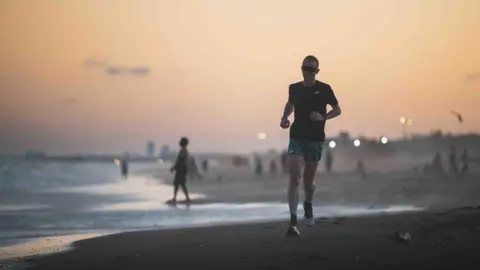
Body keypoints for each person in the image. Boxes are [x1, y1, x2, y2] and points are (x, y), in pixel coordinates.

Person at [280, 55, 342, 237]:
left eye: (311, 69)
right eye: (305, 68)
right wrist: (284, 118)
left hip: (315, 140)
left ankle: (308, 203)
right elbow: (290, 104)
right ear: (301, 69)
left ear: (317, 71)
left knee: (308, 184)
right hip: (297, 137)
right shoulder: (294, 88)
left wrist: (323, 117)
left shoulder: (324, 89)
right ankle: (293, 221)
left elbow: (338, 110)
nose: (307, 72)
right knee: (294, 177)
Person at [170, 137, 191, 203]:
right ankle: (178, 197)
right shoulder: (184, 150)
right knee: (180, 183)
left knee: (179, 183)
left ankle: (177, 198)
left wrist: (174, 167)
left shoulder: (183, 151)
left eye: (181, 141)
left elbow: (180, 160)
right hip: (182, 168)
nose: (179, 143)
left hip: (181, 169)